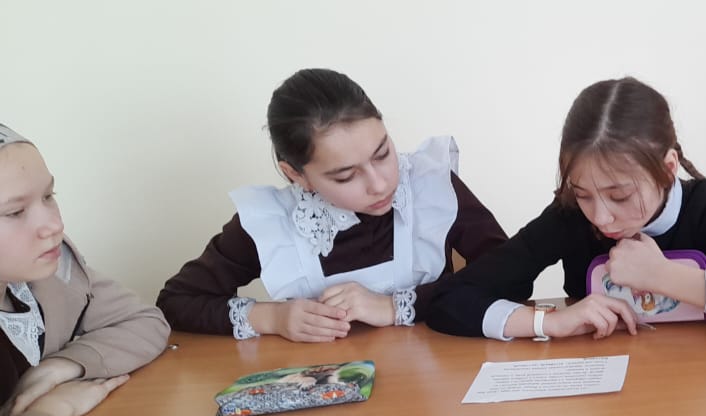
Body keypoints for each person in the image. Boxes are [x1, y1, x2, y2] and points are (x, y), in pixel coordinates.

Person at [423, 77, 706, 340]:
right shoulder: (569, 217)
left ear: (667, 170)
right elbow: (451, 300)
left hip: (698, 395)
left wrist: (664, 276)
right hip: (604, 397)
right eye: (583, 194)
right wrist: (548, 322)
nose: (600, 217)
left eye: (620, 195)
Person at [158, 68, 507, 342]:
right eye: (345, 176)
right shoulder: (275, 221)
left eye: (382, 153)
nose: (380, 183)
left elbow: (509, 274)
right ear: (297, 175)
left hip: (433, 386)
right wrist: (272, 318)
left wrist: (393, 307)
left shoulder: (430, 184)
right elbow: (177, 300)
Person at [0, 123, 170, 416]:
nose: (53, 225)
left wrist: (61, 368)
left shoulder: (48, 273)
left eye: (49, 195)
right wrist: (52, 410)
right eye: (15, 211)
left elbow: (145, 322)